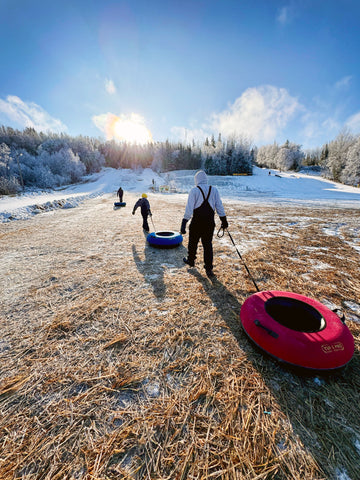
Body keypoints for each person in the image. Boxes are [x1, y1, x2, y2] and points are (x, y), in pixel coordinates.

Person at [180, 170, 228, 277]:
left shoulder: (194, 190)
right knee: (207, 245)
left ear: (196, 180)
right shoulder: (214, 190)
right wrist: (223, 220)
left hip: (197, 222)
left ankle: (191, 260)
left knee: (193, 242)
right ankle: (209, 268)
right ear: (206, 179)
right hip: (209, 223)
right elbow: (219, 206)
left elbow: (189, 209)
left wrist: (184, 222)